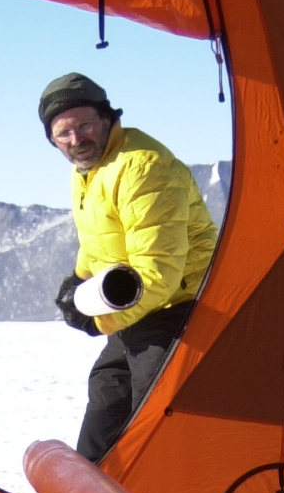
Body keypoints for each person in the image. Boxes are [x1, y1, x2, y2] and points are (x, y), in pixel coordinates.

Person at [41, 72, 218, 462]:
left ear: (107, 118)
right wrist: (79, 281)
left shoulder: (142, 167)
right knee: (104, 408)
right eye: (63, 134)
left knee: (153, 430)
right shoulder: (87, 170)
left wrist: (99, 320)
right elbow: (99, 242)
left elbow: (159, 273)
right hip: (133, 313)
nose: (76, 140)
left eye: (84, 125)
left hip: (177, 315)